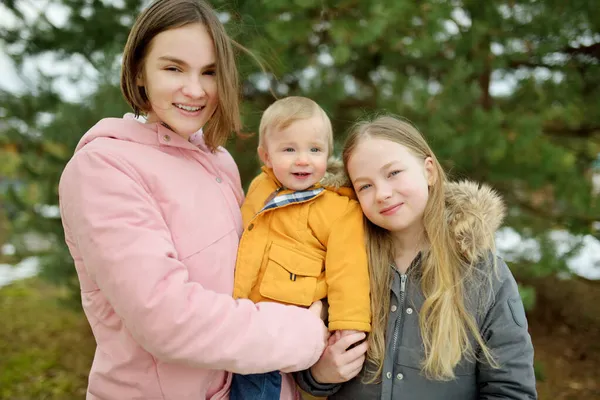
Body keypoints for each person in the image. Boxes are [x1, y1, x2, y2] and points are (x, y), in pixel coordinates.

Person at [57, 1, 328, 399]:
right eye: (173, 68)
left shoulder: (218, 161)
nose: (195, 90)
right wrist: (305, 337)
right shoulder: (103, 167)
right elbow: (166, 318)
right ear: (138, 71)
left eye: (210, 72)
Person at [296, 115, 537, 399]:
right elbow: (298, 348)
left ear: (429, 171)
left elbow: (511, 390)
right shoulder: (341, 264)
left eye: (394, 173)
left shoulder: (483, 273)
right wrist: (318, 374)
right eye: (365, 186)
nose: (383, 194)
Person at [229, 96, 371, 400]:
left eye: (315, 149)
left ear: (328, 154)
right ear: (266, 156)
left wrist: (349, 326)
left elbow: (349, 270)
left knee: (257, 384)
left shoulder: (338, 209)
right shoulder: (259, 189)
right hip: (244, 313)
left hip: (287, 319)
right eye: (289, 149)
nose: (303, 159)